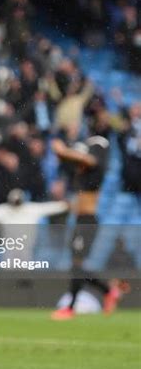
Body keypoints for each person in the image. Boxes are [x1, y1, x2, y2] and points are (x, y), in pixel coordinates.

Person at [50, 130, 127, 319]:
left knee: (77, 265)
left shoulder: (95, 168)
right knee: (76, 266)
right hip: (80, 220)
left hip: (88, 221)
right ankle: (109, 290)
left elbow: (88, 160)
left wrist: (63, 150)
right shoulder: (82, 175)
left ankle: (70, 308)